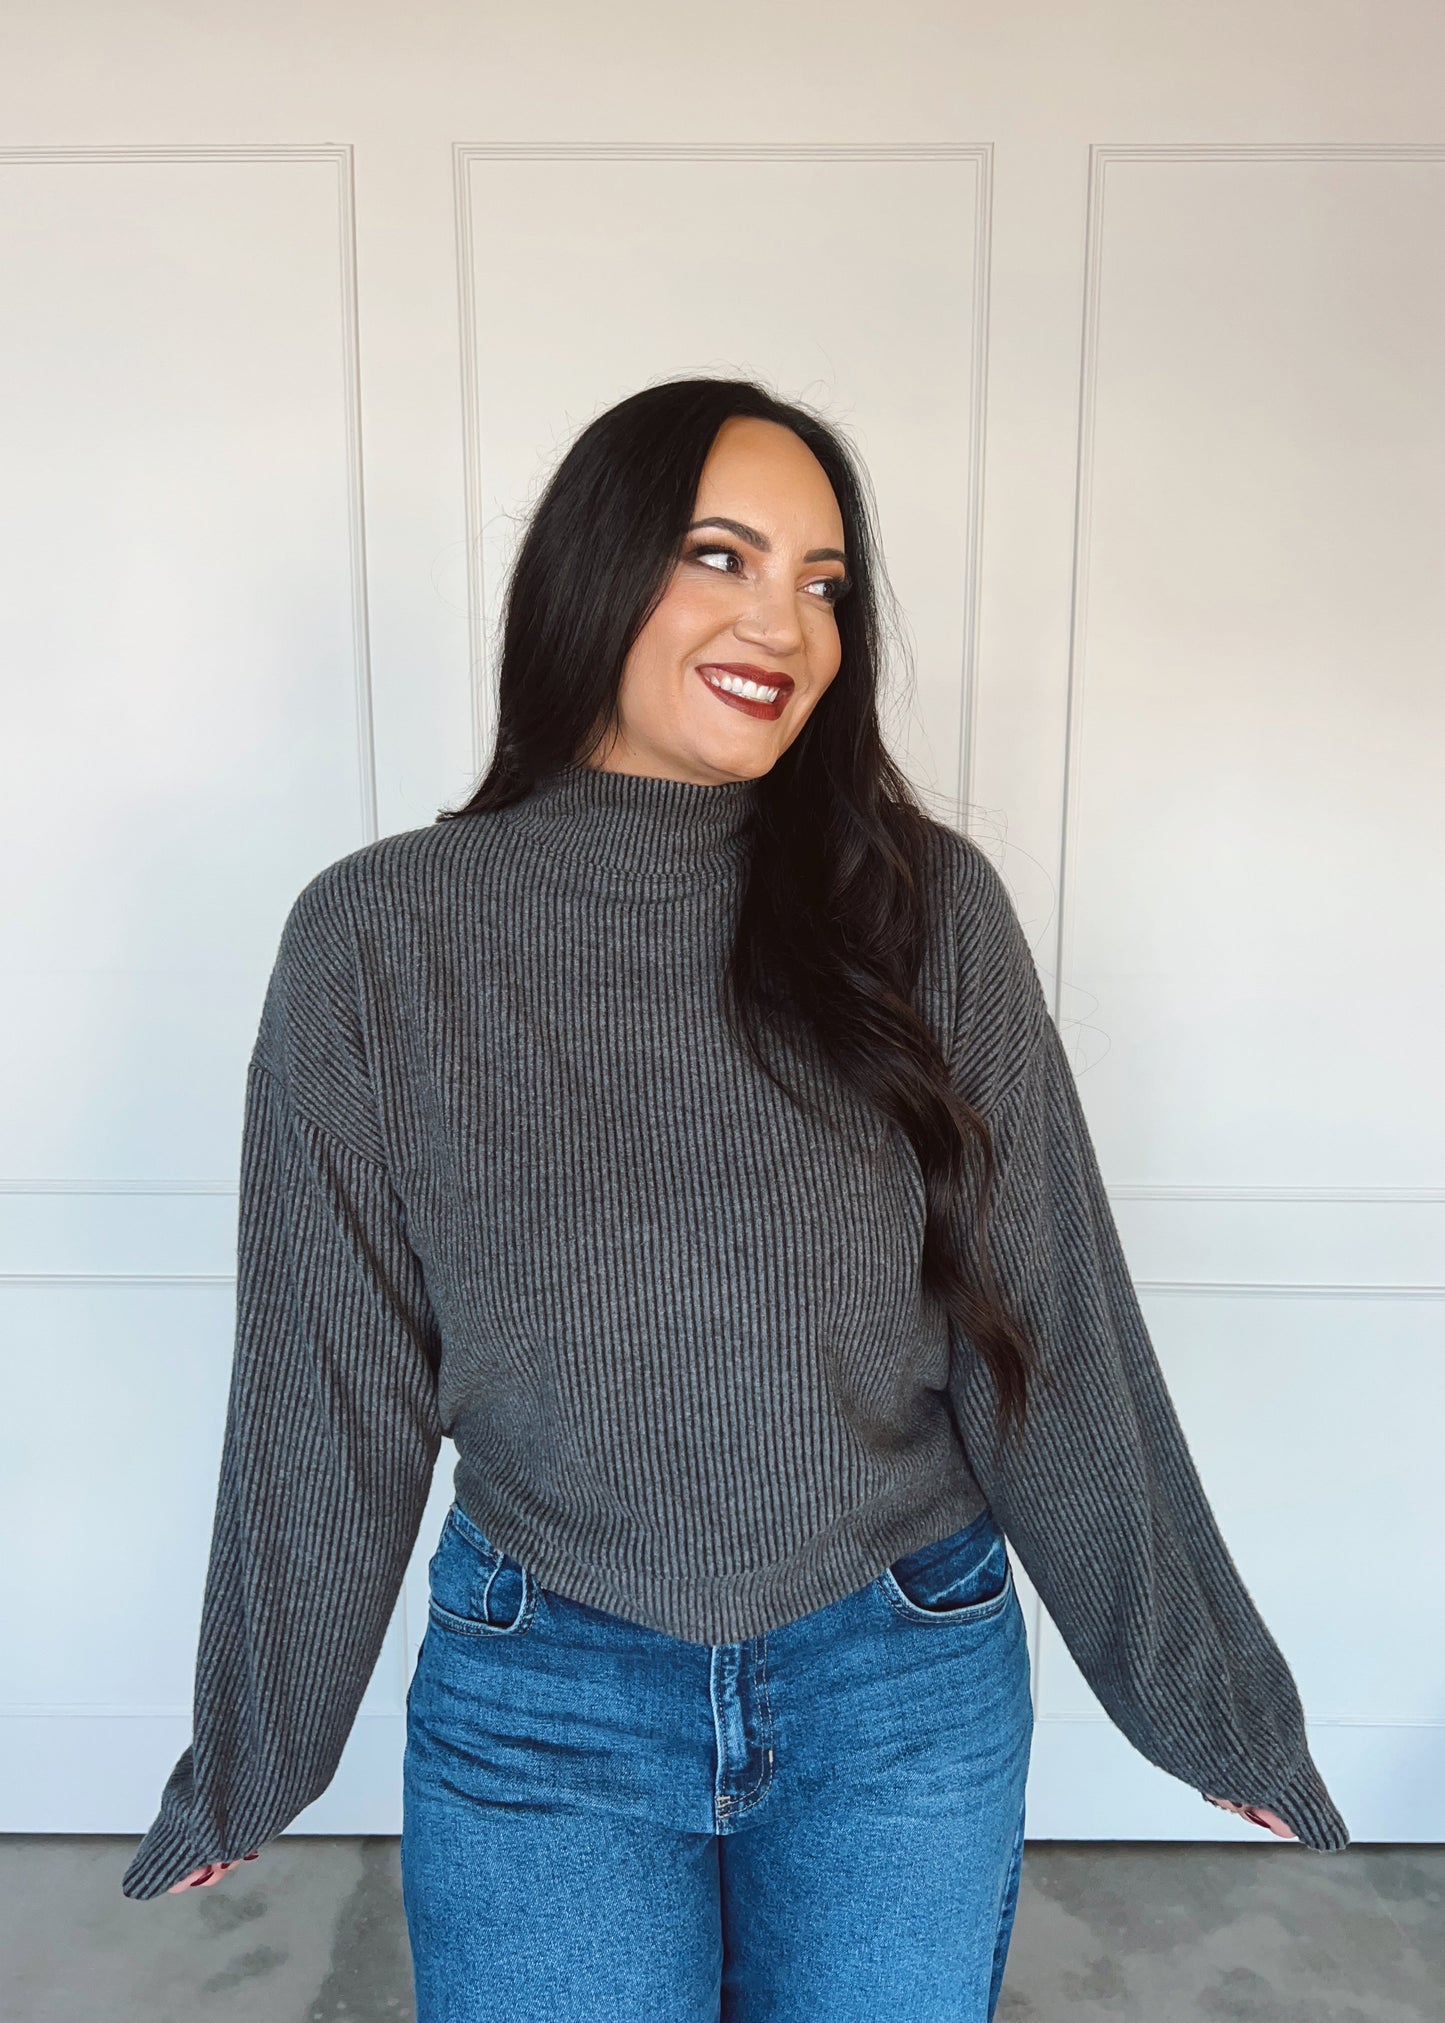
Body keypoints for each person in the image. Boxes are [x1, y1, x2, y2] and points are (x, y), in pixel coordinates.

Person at [122, 376, 1348, 2018]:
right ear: (595, 571)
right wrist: (257, 1741)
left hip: (898, 1670)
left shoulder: (921, 911)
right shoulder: (377, 941)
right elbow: (329, 1381)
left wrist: (1207, 1697)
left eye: (824, 583)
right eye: (722, 554)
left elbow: (1041, 1321)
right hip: (540, 1684)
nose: (787, 618)